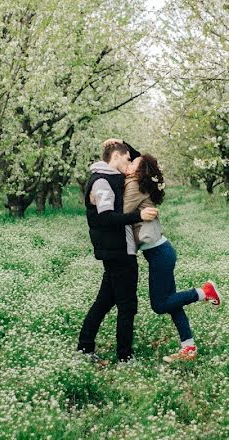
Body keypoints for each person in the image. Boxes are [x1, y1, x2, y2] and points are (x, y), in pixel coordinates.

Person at [123, 153, 222, 362]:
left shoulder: (134, 186)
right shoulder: (136, 183)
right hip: (161, 251)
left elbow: (120, 213)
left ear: (140, 172)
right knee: (172, 303)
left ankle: (203, 292)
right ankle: (189, 348)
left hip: (159, 254)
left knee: (160, 305)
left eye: (134, 163)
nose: (129, 163)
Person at [77, 140, 158, 363]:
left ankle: (85, 347)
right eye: (127, 158)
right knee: (127, 305)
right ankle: (125, 356)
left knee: (104, 302)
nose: (130, 162)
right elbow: (106, 219)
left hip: (118, 249)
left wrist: (120, 143)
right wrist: (137, 216)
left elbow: (140, 156)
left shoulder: (111, 176)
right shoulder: (102, 181)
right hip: (118, 251)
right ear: (115, 157)